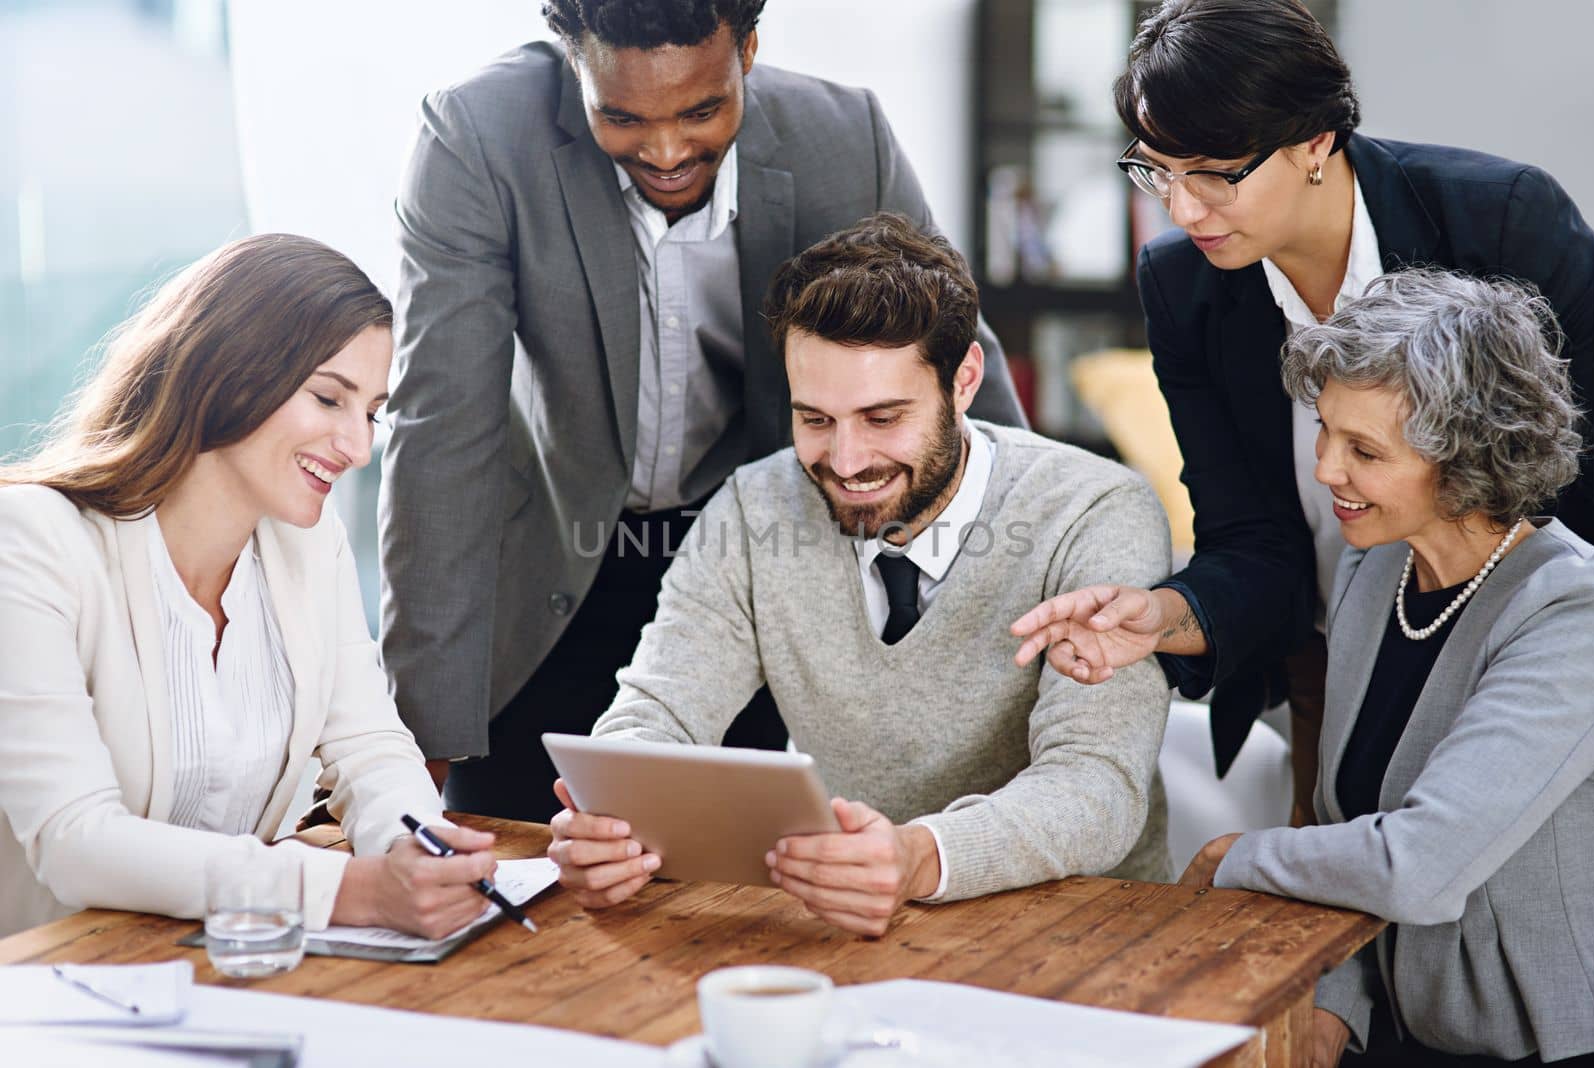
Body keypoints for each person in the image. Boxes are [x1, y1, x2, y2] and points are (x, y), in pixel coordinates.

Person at [380, 0, 1025, 822]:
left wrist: (1036, 570)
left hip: (747, 564)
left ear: (747, 50)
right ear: (570, 60)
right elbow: (441, 428)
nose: (666, 150)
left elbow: (954, 360)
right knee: (519, 866)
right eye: (620, 116)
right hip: (545, 563)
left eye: (701, 110)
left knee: (724, 872)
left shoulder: (844, 138)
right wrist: (418, 731)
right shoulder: (476, 134)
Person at [1011, 0, 1594, 824]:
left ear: (1315, 139)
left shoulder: (1499, 221)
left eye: (1216, 172)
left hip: (1530, 657)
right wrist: (1165, 615)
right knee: (1323, 918)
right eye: (1156, 170)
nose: (1183, 210)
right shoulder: (1184, 286)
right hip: (1334, 666)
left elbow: (1581, 479)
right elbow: (1251, 539)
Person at [545, 213, 1170, 936]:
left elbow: (1096, 786)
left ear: (964, 380)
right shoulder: (756, 506)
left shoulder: (1094, 510)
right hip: (841, 930)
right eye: (814, 419)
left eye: (882, 418)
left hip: (1084, 937)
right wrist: (613, 812)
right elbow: (660, 708)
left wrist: (916, 856)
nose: (844, 463)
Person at [0, 235, 499, 940]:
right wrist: (349, 890)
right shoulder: (29, 542)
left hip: (228, 968)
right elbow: (76, 841)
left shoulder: (304, 544)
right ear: (228, 372)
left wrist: (416, 848)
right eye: (329, 398)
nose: (358, 448)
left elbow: (369, 745)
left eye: (371, 412)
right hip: (52, 991)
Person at [1173, 270, 1594, 1067]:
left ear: (1467, 458)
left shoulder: (1575, 614)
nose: (1327, 470)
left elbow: (1416, 864)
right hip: (1402, 1034)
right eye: (1324, 431)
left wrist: (1233, 856)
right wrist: (1337, 1005)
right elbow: (1342, 830)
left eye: (1365, 450)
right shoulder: (1374, 573)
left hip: (1544, 1047)